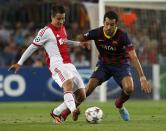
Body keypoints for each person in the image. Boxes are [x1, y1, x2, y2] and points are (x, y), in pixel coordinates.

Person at [59, 10, 152, 121]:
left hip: (121, 65)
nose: (108, 27)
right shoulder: (96, 33)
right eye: (106, 24)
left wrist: (142, 77)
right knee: (88, 89)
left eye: (112, 25)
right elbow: (81, 38)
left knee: (129, 88)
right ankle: (65, 113)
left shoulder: (122, 36)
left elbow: (134, 57)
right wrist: (82, 42)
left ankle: (119, 105)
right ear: (104, 22)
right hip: (104, 65)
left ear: (116, 25)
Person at [8, 4, 86, 124]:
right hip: (56, 65)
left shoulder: (63, 28)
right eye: (59, 19)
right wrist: (19, 63)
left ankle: (56, 112)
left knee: (81, 95)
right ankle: (73, 110)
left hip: (69, 64)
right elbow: (32, 47)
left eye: (63, 18)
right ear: (52, 17)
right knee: (68, 83)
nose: (61, 21)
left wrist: (78, 44)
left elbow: (63, 42)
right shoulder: (45, 31)